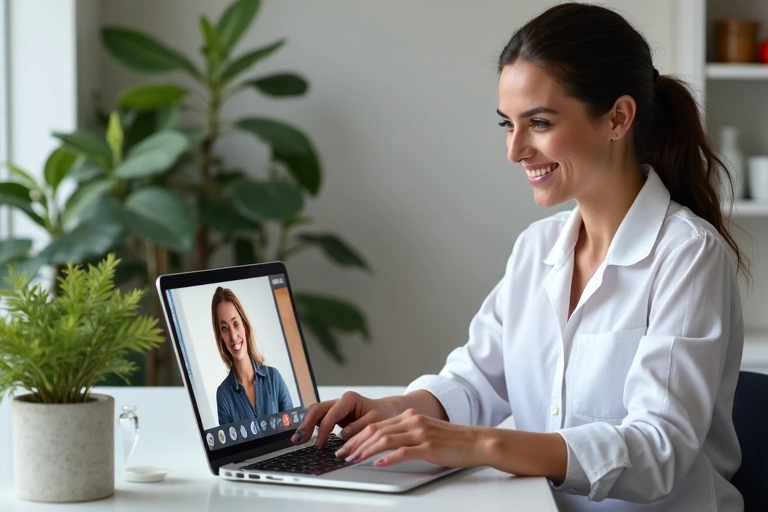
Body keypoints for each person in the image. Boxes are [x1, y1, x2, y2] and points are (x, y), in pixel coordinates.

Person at [291, 4, 747, 511]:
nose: (516, 150)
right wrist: (392, 410)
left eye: (540, 123)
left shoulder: (688, 254)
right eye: (508, 124)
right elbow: (477, 378)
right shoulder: (537, 248)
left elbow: (658, 450)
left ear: (618, 118)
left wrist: (482, 445)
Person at [212, 286, 293, 425]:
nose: (233, 336)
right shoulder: (223, 394)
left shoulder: (274, 378)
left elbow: (294, 430)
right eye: (224, 328)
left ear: (245, 326)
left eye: (236, 324)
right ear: (220, 337)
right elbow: (231, 447)